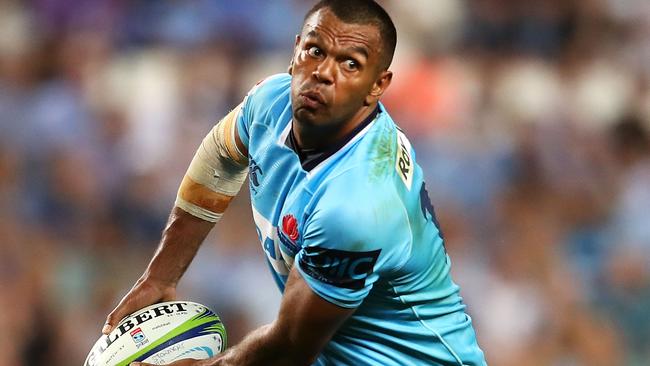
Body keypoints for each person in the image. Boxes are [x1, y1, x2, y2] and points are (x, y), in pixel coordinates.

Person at [104, 1, 487, 365]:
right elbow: (220, 157)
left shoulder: (357, 205)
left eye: (350, 64)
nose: (323, 72)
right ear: (295, 51)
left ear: (378, 85)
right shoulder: (270, 103)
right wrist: (161, 275)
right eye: (315, 51)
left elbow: (289, 350)